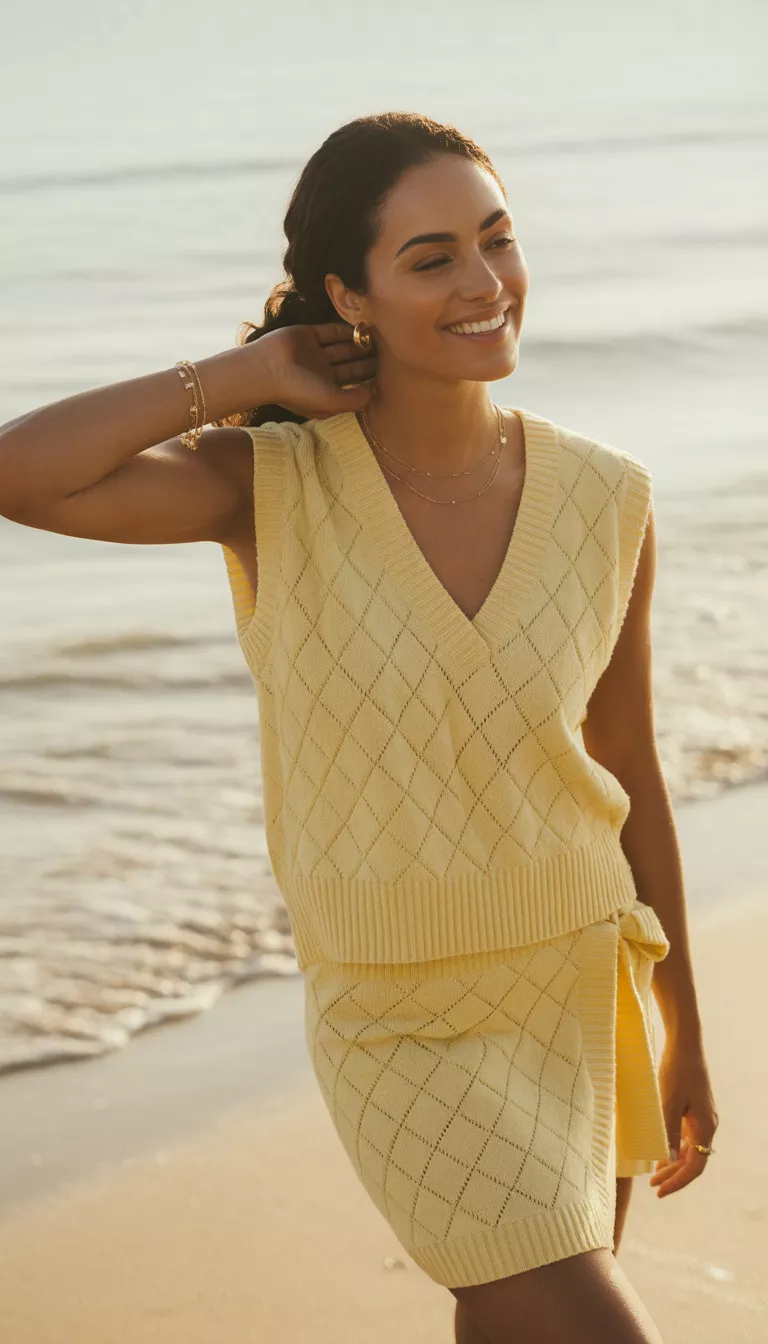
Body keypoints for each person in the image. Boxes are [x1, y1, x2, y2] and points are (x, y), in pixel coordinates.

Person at [0, 111, 718, 1344]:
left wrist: (684, 1029)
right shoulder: (266, 487)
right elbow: (22, 472)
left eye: (496, 240)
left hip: (577, 975)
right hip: (395, 1011)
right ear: (350, 296)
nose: (485, 282)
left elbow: (627, 764)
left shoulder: (610, 498)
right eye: (431, 258)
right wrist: (237, 380)